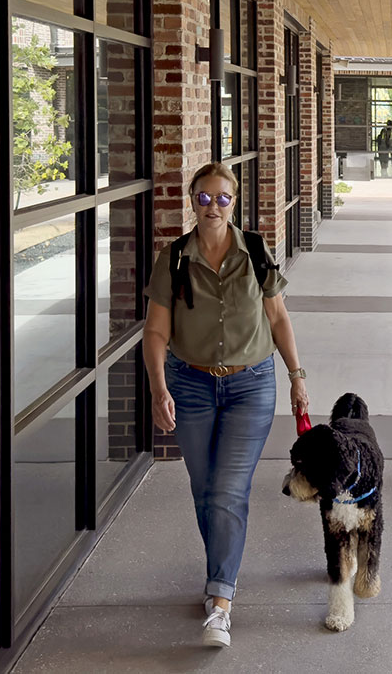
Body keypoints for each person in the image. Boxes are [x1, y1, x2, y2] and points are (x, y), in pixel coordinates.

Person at [143, 161, 308, 648]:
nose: (213, 206)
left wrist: (297, 378)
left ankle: (220, 601)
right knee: (204, 488)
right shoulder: (172, 258)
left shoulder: (254, 250)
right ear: (191, 201)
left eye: (222, 198)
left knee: (229, 489)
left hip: (250, 386)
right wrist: (158, 387)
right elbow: (156, 331)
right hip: (189, 384)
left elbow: (278, 318)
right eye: (203, 197)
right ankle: (221, 571)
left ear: (234, 202)